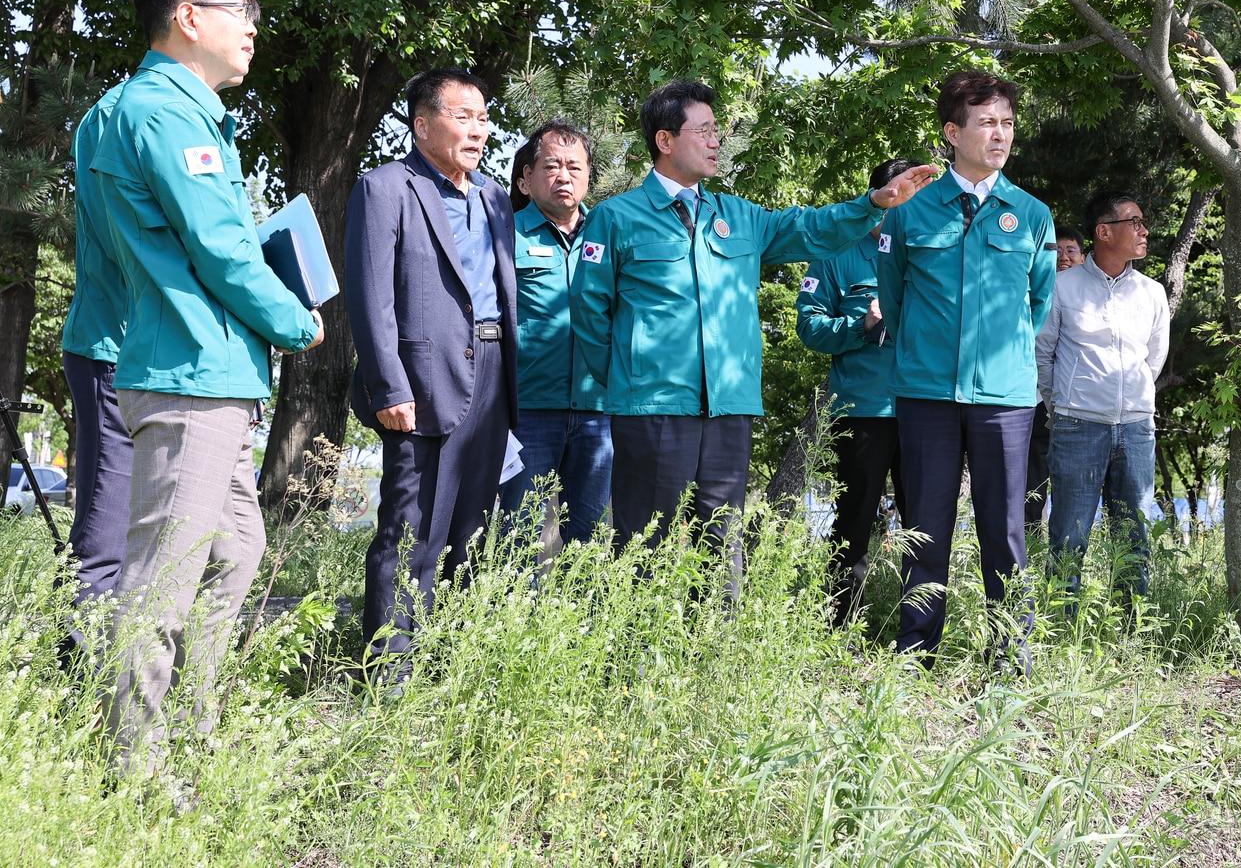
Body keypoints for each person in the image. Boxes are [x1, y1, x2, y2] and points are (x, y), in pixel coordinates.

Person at [93, 0, 325, 772]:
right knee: (164, 577)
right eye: (241, 11)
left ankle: (194, 734)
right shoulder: (163, 111)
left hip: (211, 373)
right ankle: (139, 774)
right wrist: (295, 319)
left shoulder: (165, 111)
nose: (254, 28)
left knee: (235, 555)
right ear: (189, 18)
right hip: (188, 375)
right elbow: (222, 250)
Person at [570, 80, 933, 598]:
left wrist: (874, 203)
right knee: (643, 543)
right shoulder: (616, 217)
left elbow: (810, 229)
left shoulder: (737, 216)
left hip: (728, 406)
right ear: (665, 140)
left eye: (718, 130)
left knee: (720, 543)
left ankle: (715, 661)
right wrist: (627, 380)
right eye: (705, 131)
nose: (717, 140)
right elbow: (589, 312)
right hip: (650, 406)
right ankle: (634, 660)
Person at [877, 70, 1056, 670]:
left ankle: (1011, 658)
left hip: (1004, 395)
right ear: (953, 132)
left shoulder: (1032, 215)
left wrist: (999, 358)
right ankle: (915, 653)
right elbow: (894, 295)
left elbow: (1037, 303)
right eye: (986, 123)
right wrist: (925, 351)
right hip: (926, 391)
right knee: (925, 526)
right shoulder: (910, 210)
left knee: (1005, 530)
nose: (1000, 134)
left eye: (1007, 123)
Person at [345, 66, 517, 676]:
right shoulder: (386, 187)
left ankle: (449, 657)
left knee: (472, 523)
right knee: (412, 522)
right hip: (421, 377)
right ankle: (389, 668)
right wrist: (388, 383)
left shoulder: (495, 197)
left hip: (494, 368)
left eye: (484, 118)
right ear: (422, 124)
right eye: (462, 116)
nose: (478, 130)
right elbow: (370, 297)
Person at [796, 157, 917, 626]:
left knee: (924, 526)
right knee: (852, 524)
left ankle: (918, 633)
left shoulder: (931, 253)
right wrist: (861, 323)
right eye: (901, 195)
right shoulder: (836, 253)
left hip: (925, 407)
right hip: (864, 410)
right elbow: (809, 328)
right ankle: (839, 629)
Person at [1037, 193, 1169, 620]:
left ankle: (1132, 629)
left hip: (1135, 428)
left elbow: (1154, 357)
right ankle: (1062, 626)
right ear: (1104, 231)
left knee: (1134, 533)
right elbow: (1043, 354)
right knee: (1069, 533)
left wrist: (1134, 401)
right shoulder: (1063, 287)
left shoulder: (1152, 292)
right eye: (1136, 222)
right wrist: (1062, 406)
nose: (1144, 231)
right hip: (1078, 425)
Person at [498, 121, 612, 546]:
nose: (563, 176)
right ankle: (510, 614)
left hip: (598, 413)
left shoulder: (609, 233)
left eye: (574, 167)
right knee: (517, 539)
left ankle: (586, 615)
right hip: (527, 410)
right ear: (525, 179)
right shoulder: (503, 234)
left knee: (591, 542)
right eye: (551, 166)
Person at [60, 79, 132, 645]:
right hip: (116, 351)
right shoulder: (126, 113)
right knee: (106, 540)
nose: (251, 33)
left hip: (136, 351)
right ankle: (80, 688)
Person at [1025, 224, 1087, 527]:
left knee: (1072, 480)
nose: (1063, 256)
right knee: (1032, 474)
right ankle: (1029, 542)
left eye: (1070, 250)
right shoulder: (1033, 290)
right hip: (1035, 396)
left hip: (1077, 401)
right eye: (1056, 250)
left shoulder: (1091, 297)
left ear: (1084, 257)